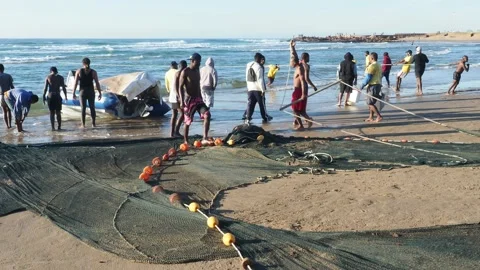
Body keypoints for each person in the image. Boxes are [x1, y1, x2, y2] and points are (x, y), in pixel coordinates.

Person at [178, 53, 211, 145]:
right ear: (192, 61)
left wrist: (201, 98)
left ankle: (205, 137)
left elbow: (198, 86)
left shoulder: (197, 71)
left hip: (198, 99)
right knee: (188, 121)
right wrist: (181, 100)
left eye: (200, 61)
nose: (199, 63)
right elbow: (180, 87)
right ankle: (185, 140)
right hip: (189, 100)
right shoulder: (185, 72)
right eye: (198, 61)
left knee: (207, 115)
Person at [72, 57, 102, 128]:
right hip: (91, 91)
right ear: (89, 63)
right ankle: (93, 124)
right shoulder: (93, 72)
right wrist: (100, 93)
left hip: (82, 91)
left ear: (83, 63)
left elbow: (75, 83)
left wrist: (73, 93)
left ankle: (83, 125)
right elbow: (97, 83)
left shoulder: (79, 71)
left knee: (83, 108)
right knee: (92, 108)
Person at [289, 40, 312, 130]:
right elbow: (294, 55)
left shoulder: (299, 68)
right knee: (301, 110)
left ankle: (301, 125)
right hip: (298, 90)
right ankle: (307, 121)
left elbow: (303, 81)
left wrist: (303, 94)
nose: (290, 63)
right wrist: (292, 47)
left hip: (299, 91)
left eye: (291, 62)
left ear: (295, 62)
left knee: (295, 109)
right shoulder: (298, 65)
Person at [244, 53, 270, 124]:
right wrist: (263, 90)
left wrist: (248, 87)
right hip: (258, 89)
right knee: (262, 105)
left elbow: (247, 77)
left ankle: (248, 118)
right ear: (259, 59)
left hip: (250, 88)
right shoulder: (259, 67)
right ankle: (265, 117)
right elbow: (260, 79)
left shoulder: (249, 65)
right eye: (261, 59)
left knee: (250, 104)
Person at [360, 52, 383, 123]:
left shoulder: (372, 66)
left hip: (373, 85)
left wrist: (361, 86)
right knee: (370, 102)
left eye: (369, 58)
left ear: (372, 58)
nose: (368, 59)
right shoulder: (378, 64)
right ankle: (371, 117)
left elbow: (368, 77)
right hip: (378, 84)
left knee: (370, 103)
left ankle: (379, 116)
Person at [169, 60, 187, 138]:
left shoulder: (177, 73)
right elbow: (177, 86)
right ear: (184, 66)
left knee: (174, 114)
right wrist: (179, 97)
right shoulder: (179, 73)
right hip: (176, 97)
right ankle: (176, 131)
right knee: (182, 114)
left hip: (172, 96)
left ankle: (172, 133)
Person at [0, 64, 15, 129]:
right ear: (3, 69)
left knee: (4, 111)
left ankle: (7, 126)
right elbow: (12, 86)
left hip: (1, 95)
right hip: (8, 94)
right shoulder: (8, 76)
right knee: (9, 110)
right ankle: (10, 125)